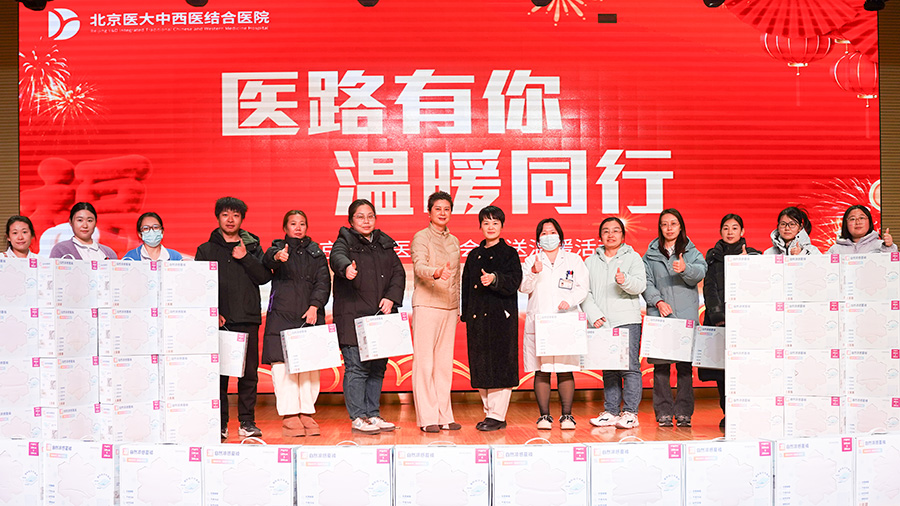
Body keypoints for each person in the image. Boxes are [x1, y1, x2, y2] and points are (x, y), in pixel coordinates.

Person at [195, 197, 270, 440]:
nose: (230, 220)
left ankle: (247, 422)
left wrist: (245, 257)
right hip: (219, 321)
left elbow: (264, 277)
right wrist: (212, 312)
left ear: (242, 219)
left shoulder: (252, 246)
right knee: (219, 376)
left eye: (236, 215)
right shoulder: (206, 250)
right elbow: (200, 285)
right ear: (218, 217)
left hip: (248, 318)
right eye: (226, 214)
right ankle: (220, 423)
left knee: (248, 374)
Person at [330, 199, 405, 435]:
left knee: (377, 369)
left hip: (380, 317)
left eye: (370, 216)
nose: (366, 221)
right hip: (352, 317)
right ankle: (358, 417)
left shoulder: (384, 243)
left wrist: (391, 298)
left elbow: (398, 273)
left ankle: (373, 414)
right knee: (356, 368)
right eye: (360, 217)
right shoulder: (344, 242)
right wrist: (346, 268)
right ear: (351, 220)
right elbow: (337, 257)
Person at [261, 210, 331, 437]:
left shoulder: (316, 252)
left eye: (302, 223)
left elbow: (323, 282)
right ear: (285, 227)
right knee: (283, 367)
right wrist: (277, 257)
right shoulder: (278, 248)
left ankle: (306, 412)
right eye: (293, 223)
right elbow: (267, 259)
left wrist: (315, 306)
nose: (298, 227)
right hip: (281, 315)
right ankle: (290, 415)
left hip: (309, 314)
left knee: (309, 366)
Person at [520, 218, 589, 430]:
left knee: (564, 368)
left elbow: (583, 287)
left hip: (564, 319)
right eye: (543, 233)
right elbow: (523, 287)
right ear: (538, 238)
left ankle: (567, 416)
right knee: (542, 369)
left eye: (552, 232)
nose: (548, 236)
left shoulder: (573, 260)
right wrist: (534, 272)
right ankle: (544, 416)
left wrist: (570, 301)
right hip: (540, 321)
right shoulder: (531, 260)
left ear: (559, 236)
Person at [642, 208, 706, 428]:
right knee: (661, 367)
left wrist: (686, 268)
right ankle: (663, 412)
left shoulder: (691, 251)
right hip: (660, 314)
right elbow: (646, 282)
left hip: (685, 317)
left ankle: (684, 412)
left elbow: (701, 272)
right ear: (660, 228)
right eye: (664, 224)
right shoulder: (650, 254)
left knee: (684, 367)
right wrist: (658, 301)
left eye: (673, 224)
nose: (669, 228)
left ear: (681, 227)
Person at [461, 206, 522, 432]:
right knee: (481, 365)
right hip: (477, 319)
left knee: (500, 365)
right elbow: (466, 286)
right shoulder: (473, 255)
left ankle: (497, 415)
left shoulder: (509, 253)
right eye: (486, 223)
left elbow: (515, 280)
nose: (491, 227)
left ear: (502, 226)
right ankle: (489, 412)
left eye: (495, 222)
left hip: (500, 319)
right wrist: (466, 314)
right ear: (480, 226)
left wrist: (495, 279)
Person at [582, 217, 647, 430]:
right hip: (601, 322)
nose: (611, 235)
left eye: (616, 230)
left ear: (623, 235)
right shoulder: (590, 261)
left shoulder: (633, 257)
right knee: (609, 369)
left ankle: (630, 413)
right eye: (606, 231)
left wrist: (625, 280)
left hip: (626, 320)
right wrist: (593, 315)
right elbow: (585, 292)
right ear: (600, 236)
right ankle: (610, 412)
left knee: (629, 368)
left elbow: (640, 285)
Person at [701, 214, 761, 429]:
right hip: (719, 320)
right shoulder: (712, 256)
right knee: (722, 371)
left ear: (742, 231)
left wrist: (748, 262)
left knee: (745, 369)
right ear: (720, 232)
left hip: (745, 323)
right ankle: (728, 412)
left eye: (734, 228)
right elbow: (709, 288)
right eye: (726, 228)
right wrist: (718, 316)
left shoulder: (753, 255)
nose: (730, 232)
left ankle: (747, 412)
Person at [411, 191, 462, 433]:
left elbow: (457, 277)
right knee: (425, 363)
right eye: (438, 209)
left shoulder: (455, 241)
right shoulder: (421, 237)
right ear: (429, 212)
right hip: (427, 304)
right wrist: (436, 272)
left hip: (449, 307)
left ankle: (444, 415)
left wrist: (458, 306)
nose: (442, 213)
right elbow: (419, 266)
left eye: (446, 209)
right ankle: (427, 417)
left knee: (443, 365)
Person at [49, 202, 118, 260]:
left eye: (89, 221)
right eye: (80, 220)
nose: (85, 226)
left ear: (95, 223)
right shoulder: (61, 250)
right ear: (71, 222)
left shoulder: (109, 253)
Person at [828, 205, 897, 254]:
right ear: (846, 224)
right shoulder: (835, 250)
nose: (858, 222)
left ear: (869, 221)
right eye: (852, 219)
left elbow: (892, 265)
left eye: (861, 218)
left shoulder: (880, 246)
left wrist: (889, 247)